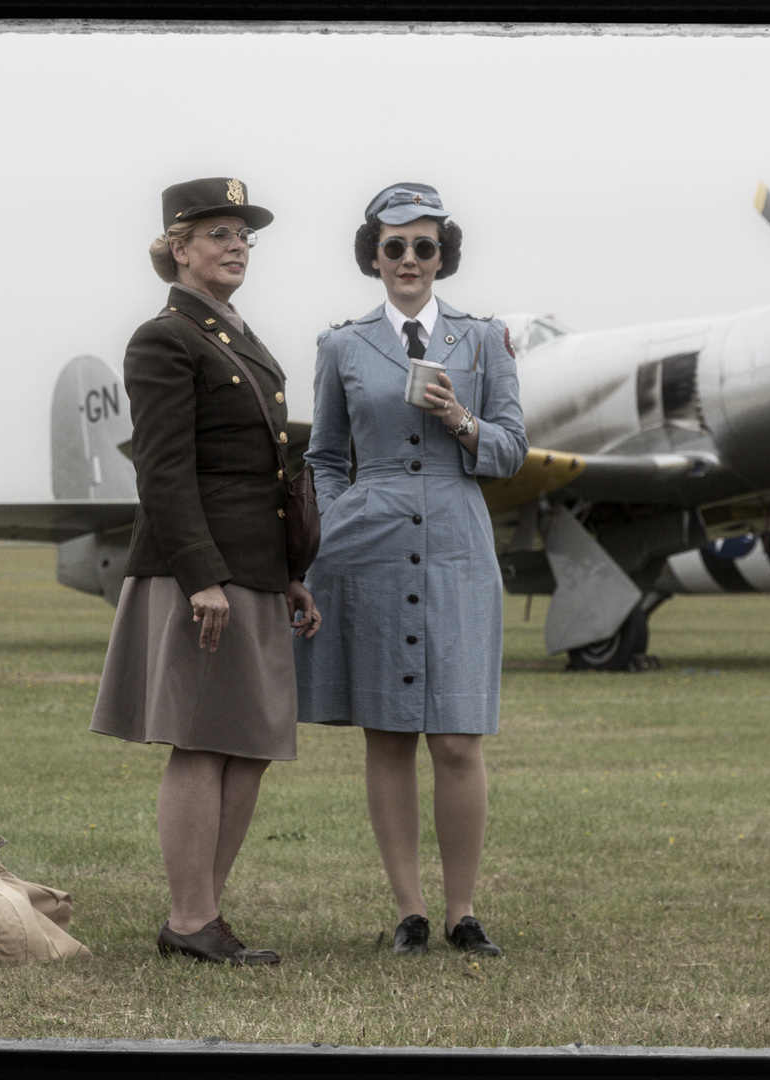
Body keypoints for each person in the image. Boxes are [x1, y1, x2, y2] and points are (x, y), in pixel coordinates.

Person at [91, 177, 321, 966]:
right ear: (177, 249)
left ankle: (201, 916)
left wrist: (288, 571)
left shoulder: (233, 336)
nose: (235, 246)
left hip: (253, 566)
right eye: (217, 233)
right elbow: (163, 474)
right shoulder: (164, 338)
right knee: (201, 741)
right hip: (203, 571)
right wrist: (201, 578)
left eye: (243, 235)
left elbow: (259, 468)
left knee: (249, 742)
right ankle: (191, 920)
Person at [294, 182, 528, 957]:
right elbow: (324, 454)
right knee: (387, 735)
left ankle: (464, 912)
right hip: (369, 543)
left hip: (460, 538)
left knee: (459, 738)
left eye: (424, 246)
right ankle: (411, 911)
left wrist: (459, 420)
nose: (409, 260)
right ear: (373, 255)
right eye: (393, 246)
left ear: (442, 255)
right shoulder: (341, 346)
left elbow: (510, 451)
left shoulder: (485, 339)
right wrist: (330, 527)